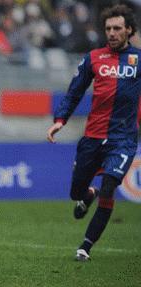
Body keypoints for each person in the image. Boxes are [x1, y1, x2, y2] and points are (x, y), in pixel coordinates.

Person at [47, 4, 140, 262]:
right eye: (108, 28)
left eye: (117, 28)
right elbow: (75, 91)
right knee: (76, 192)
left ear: (129, 30)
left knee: (109, 185)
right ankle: (87, 195)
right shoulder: (94, 58)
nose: (111, 32)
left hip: (123, 140)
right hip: (92, 137)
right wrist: (60, 120)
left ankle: (85, 246)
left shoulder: (138, 60)